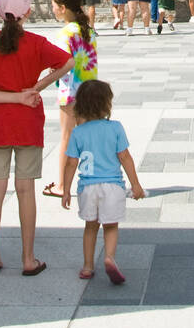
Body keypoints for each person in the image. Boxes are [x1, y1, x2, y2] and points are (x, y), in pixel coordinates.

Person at [0, 0, 72, 276]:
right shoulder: (36, 43)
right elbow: (67, 62)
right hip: (27, 123)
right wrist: (35, 88)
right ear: (27, 13)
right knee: (26, 189)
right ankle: (28, 259)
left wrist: (12, 96)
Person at [62, 80, 145, 283]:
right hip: (112, 186)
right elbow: (125, 157)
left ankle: (88, 266)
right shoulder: (115, 128)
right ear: (106, 105)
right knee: (110, 226)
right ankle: (109, 258)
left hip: (87, 187)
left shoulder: (78, 132)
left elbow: (71, 163)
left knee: (90, 227)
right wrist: (135, 184)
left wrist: (65, 190)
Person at [42, 0, 98, 199]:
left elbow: (62, 63)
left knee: (67, 137)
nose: (53, 9)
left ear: (63, 8)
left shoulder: (65, 33)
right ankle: (92, 180)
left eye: (55, 6)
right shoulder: (89, 30)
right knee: (88, 137)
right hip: (90, 89)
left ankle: (62, 184)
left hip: (70, 90)